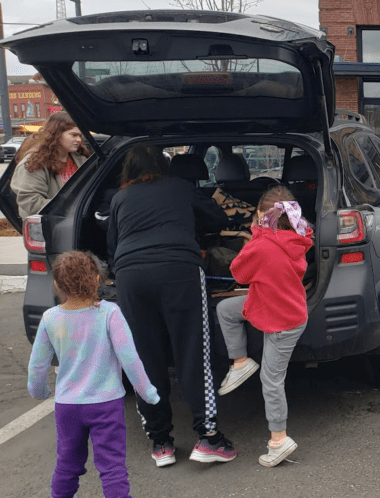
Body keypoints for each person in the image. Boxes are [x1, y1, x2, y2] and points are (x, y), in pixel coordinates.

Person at [107, 145, 235, 467]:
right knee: (192, 352)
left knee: (144, 357)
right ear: (164, 167)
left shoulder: (120, 198)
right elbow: (218, 218)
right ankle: (209, 439)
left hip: (131, 278)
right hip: (179, 271)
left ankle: (161, 442)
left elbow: (112, 246)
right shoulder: (180, 187)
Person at [27, 250, 160, 498]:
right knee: (112, 467)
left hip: (67, 405)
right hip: (106, 404)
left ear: (56, 284)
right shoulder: (109, 313)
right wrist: (148, 393)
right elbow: (130, 359)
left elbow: (37, 365)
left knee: (67, 462)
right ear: (98, 280)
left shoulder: (50, 318)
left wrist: (39, 391)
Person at [216, 186, 313, 467]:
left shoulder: (262, 245)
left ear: (261, 215)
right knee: (226, 310)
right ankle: (240, 362)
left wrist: (256, 233)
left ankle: (279, 440)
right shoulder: (298, 236)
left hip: (281, 320)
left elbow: (238, 272)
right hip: (285, 305)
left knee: (271, 381)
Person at [11, 112, 91, 218]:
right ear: (56, 134)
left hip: (77, 222)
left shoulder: (81, 159)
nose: (78, 140)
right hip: (48, 227)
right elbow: (31, 202)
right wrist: (69, 208)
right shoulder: (35, 162)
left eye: (80, 136)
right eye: (73, 135)